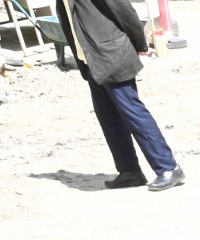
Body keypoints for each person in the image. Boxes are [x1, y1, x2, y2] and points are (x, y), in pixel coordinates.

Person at [55, 0, 184, 191]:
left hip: (111, 54)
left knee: (132, 112)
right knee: (108, 118)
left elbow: (124, 9)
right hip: (92, 60)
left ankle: (168, 167)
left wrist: (139, 43)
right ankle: (130, 172)